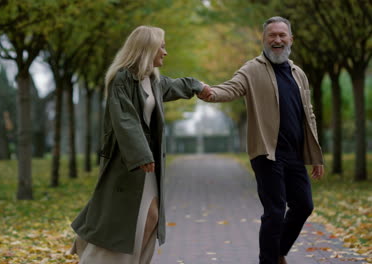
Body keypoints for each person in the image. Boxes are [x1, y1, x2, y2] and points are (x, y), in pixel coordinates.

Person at [70, 25, 211, 264]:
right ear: (147, 49)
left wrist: (198, 85)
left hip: (146, 162)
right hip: (129, 162)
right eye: (161, 47)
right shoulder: (122, 78)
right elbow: (125, 119)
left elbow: (176, 85)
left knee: (151, 217)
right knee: (122, 218)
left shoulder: (152, 80)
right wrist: (141, 155)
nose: (165, 52)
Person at [199, 16, 324, 264]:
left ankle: (278, 253)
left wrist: (315, 153)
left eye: (282, 35)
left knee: (304, 206)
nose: (277, 40)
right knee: (275, 212)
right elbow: (230, 88)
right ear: (264, 39)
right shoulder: (252, 69)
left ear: (291, 39)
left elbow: (308, 113)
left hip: (295, 154)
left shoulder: (298, 73)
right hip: (267, 153)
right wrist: (208, 92)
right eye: (272, 35)